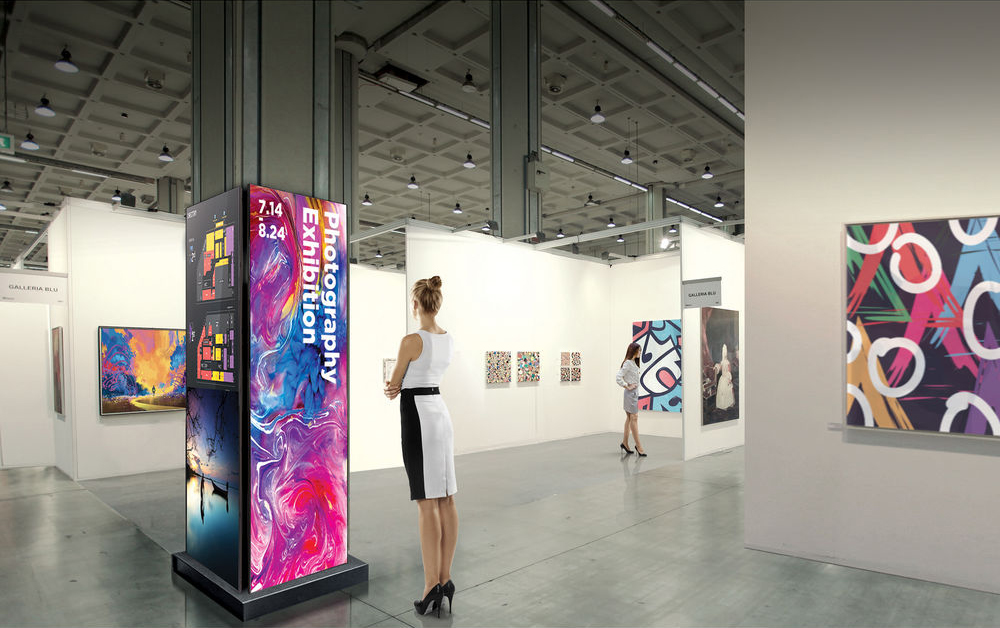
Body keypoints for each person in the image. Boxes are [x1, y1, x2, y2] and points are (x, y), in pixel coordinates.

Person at [384, 276, 458, 617]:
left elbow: (394, 384)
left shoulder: (411, 341)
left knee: (426, 502)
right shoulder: (447, 339)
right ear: (436, 304)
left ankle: (430, 586)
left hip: (418, 418)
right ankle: (445, 578)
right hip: (440, 414)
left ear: (416, 304)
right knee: (446, 498)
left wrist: (391, 386)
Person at [616, 342, 646, 456]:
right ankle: (639, 446)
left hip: (633, 393)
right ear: (633, 351)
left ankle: (625, 443)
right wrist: (627, 386)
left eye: (640, 350)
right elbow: (618, 377)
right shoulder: (628, 363)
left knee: (630, 418)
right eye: (639, 350)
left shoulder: (634, 363)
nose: (640, 353)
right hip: (630, 394)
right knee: (634, 418)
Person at [714, 344, 735, 410]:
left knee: (726, 391)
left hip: (725, 378)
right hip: (723, 378)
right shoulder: (722, 362)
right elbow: (719, 368)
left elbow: (729, 371)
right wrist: (716, 367)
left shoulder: (727, 362)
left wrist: (729, 379)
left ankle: (726, 404)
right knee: (722, 391)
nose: (724, 355)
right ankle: (722, 404)